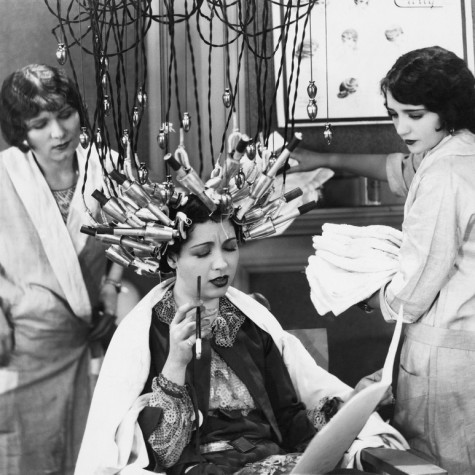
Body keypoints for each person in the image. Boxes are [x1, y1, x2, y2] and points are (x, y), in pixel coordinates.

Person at [75, 193, 407, 475]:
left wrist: (348, 406)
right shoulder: (148, 332)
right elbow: (163, 455)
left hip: (273, 461)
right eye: (203, 253)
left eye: (230, 248)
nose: (222, 265)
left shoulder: (251, 323)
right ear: (173, 257)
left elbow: (289, 418)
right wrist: (176, 363)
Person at [297, 46, 475, 475]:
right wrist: (324, 158)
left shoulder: (445, 173)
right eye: (394, 115)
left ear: (447, 109)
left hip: (450, 360)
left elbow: (410, 295)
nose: (402, 127)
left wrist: (360, 293)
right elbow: (398, 168)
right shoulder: (457, 152)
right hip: (461, 348)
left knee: (440, 466)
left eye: (414, 114)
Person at [0, 64, 123, 475]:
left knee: (90, 458)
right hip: (23, 346)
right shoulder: (3, 176)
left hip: (90, 340)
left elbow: (130, 238)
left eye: (65, 114)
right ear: (21, 131)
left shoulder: (106, 166)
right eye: (40, 123)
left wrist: (113, 285)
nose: (59, 132)